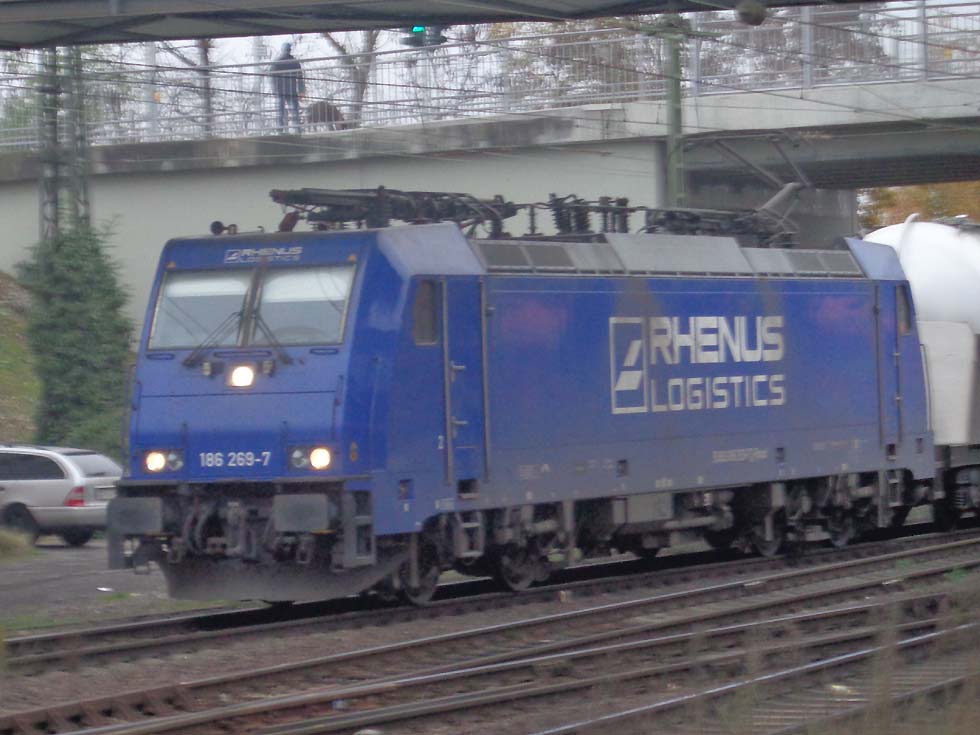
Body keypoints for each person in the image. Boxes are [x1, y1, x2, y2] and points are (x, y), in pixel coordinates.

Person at [270, 42, 305, 134]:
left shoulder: (277, 61)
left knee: (280, 112)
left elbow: (272, 77)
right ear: (290, 50)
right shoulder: (294, 61)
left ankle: (280, 131)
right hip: (291, 90)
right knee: (294, 111)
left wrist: (274, 90)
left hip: (280, 91)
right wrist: (301, 90)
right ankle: (297, 130)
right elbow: (300, 77)